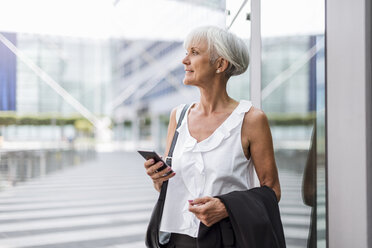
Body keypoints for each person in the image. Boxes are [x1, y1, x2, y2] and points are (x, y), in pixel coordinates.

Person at [144, 26, 281, 247]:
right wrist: (158, 179)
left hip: (227, 238)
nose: (184, 60)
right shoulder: (178, 116)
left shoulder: (251, 119)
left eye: (194, 52)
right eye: (186, 52)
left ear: (220, 64)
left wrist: (226, 207)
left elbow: (272, 189)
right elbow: (170, 188)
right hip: (176, 240)